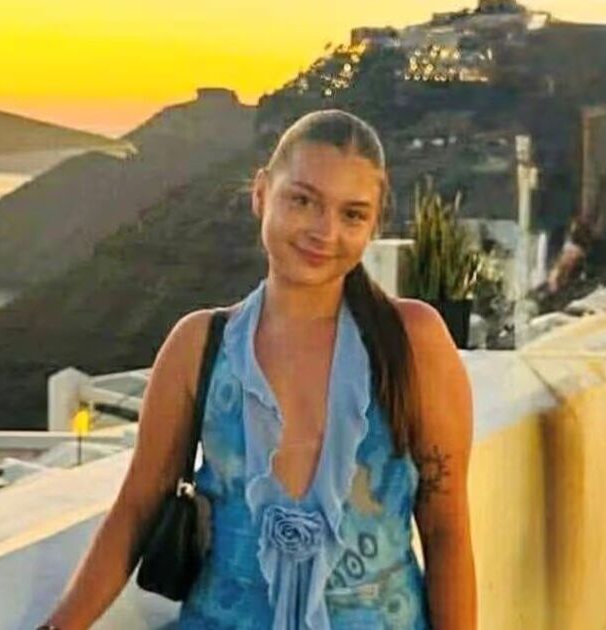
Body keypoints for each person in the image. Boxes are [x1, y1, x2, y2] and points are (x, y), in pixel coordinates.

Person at [39, 109, 476, 629]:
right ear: (262, 193)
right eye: (302, 200)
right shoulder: (199, 346)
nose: (325, 231)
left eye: (352, 215)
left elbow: (445, 530)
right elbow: (137, 508)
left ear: (374, 224)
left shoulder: (411, 343)